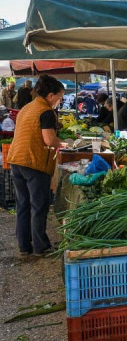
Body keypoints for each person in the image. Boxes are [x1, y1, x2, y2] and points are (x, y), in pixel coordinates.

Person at [7, 75, 65, 257]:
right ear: (50, 95)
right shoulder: (46, 111)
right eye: (59, 96)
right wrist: (63, 144)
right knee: (39, 205)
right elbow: (48, 139)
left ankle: (24, 246)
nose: (59, 101)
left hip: (16, 160)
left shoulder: (27, 107)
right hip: (34, 162)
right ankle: (41, 247)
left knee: (23, 204)